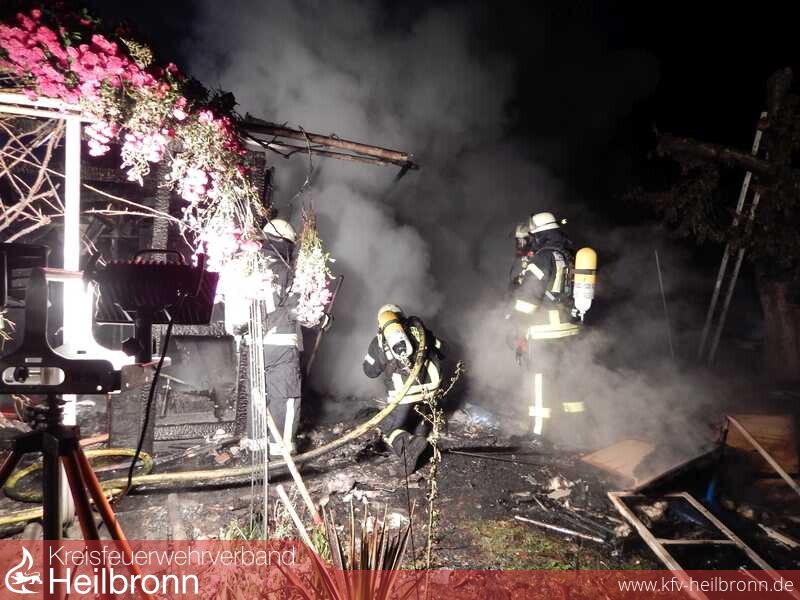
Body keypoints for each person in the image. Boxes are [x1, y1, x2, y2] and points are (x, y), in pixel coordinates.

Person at [511, 211, 591, 444]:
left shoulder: (543, 258)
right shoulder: (567, 255)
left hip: (544, 330)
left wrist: (518, 324)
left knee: (539, 380)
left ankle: (538, 433)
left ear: (539, 235)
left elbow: (529, 298)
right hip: (568, 328)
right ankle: (577, 430)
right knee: (567, 378)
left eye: (533, 236)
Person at [362, 304, 445, 472]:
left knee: (389, 427)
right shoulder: (420, 331)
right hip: (432, 391)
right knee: (421, 416)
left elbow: (369, 371)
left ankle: (407, 447)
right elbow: (443, 348)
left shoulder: (379, 341)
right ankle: (421, 435)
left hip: (404, 395)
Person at [258, 218, 302, 455]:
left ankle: (256, 446)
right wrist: (321, 318)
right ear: (286, 244)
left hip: (254, 344)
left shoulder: (249, 266)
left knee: (259, 393)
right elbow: (298, 308)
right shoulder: (285, 271)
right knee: (285, 395)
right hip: (281, 343)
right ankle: (280, 451)